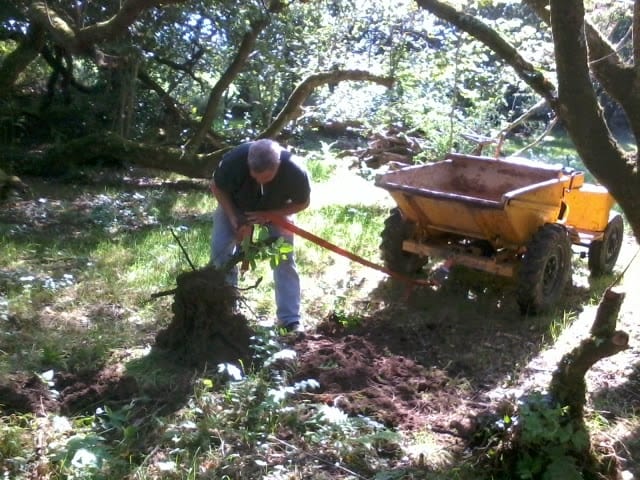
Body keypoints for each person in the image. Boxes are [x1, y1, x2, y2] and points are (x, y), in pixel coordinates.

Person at [209, 139, 311, 332]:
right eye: (255, 177)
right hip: (235, 205)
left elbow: (302, 203)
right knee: (219, 251)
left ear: (278, 166)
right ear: (249, 163)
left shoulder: (295, 170)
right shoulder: (235, 160)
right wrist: (234, 219)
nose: (258, 182)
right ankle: (228, 307)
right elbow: (216, 186)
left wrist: (270, 215)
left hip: (277, 209)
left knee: (284, 258)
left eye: (265, 179)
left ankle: (290, 319)